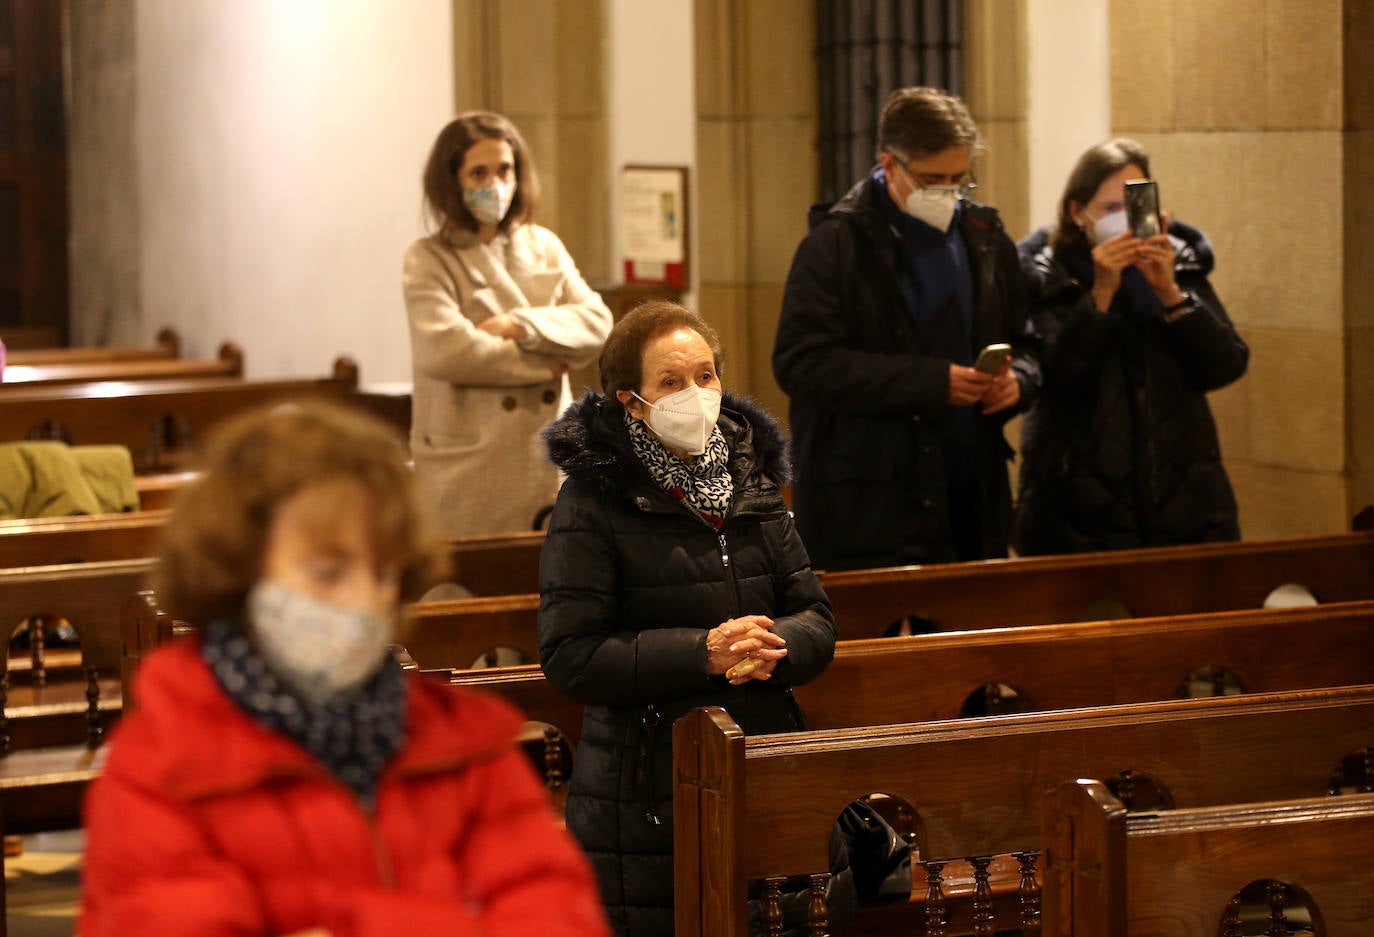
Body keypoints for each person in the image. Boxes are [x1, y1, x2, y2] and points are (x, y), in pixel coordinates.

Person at [79, 402, 610, 937]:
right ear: (237, 573)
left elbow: (555, 911)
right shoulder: (161, 765)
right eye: (328, 572)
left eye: (382, 573)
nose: (363, 600)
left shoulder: (465, 748)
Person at [538, 302, 838, 936]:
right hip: (645, 791)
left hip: (763, 767)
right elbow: (571, 654)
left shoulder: (751, 481)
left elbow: (814, 613)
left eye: (706, 376)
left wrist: (773, 642)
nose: (695, 395)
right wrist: (701, 652)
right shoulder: (592, 500)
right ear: (631, 401)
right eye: (671, 382)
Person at [773, 87, 1035, 572]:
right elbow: (800, 364)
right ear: (889, 164)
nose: (948, 194)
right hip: (868, 501)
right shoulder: (835, 245)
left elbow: (1029, 339)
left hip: (969, 492)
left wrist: (1020, 378)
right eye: (933, 179)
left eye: (960, 180)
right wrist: (933, 383)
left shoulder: (984, 236)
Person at [1015, 138, 1248, 554]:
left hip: (1181, 496)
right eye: (1109, 210)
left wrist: (1171, 294)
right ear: (1077, 212)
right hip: (1080, 509)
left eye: (1134, 205)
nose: (1123, 220)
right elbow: (1060, 382)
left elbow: (1225, 365)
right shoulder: (1047, 276)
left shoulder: (1179, 264)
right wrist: (1100, 296)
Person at [404, 112, 613, 537]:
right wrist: (546, 362)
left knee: (551, 584)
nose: (495, 183)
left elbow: (596, 323)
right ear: (451, 180)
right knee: (467, 589)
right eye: (478, 172)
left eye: (505, 169)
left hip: (544, 451)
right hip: (469, 461)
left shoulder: (543, 246)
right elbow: (448, 352)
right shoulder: (429, 258)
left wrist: (518, 325)